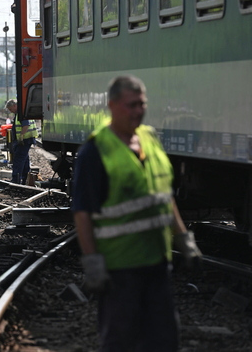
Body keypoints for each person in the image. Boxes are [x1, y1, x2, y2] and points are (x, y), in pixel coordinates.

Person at [72, 75, 202, 352]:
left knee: (165, 340)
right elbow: (82, 213)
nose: (138, 111)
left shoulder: (150, 139)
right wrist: (93, 263)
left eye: (142, 104)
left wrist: (183, 240)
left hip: (157, 262)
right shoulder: (95, 152)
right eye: (131, 105)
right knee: (120, 341)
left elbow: (164, 197)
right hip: (120, 268)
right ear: (112, 105)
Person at [5, 99, 38, 184]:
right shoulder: (23, 112)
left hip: (24, 141)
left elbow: (26, 124)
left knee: (18, 160)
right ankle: (25, 179)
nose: (10, 111)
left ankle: (16, 180)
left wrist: (21, 136)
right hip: (26, 140)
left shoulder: (21, 113)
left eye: (10, 109)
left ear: (14, 105)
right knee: (24, 160)